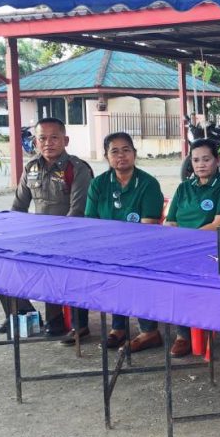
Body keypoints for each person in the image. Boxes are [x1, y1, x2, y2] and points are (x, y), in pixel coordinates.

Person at [2, 117, 93, 338]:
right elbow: (18, 207)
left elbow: (77, 212)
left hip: (71, 238)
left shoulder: (77, 169)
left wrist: (53, 242)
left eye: (54, 138)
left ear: (65, 140)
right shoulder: (31, 167)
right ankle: (23, 314)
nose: (48, 143)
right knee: (1, 265)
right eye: (42, 138)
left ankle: (56, 321)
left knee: (52, 265)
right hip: (38, 237)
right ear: (35, 142)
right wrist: (9, 237)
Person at [81, 132, 165, 348]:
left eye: (126, 150)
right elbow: (91, 223)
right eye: (114, 151)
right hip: (107, 247)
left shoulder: (148, 183)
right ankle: (118, 328)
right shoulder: (98, 184)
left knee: (135, 270)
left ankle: (149, 331)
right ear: (106, 156)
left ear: (134, 153)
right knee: (109, 269)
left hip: (142, 248)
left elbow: (148, 226)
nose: (121, 156)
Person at [161, 139, 220, 357]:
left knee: (189, 276)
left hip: (210, 250)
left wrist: (187, 240)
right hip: (181, 248)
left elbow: (219, 224)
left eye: (206, 159)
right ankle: (182, 333)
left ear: (217, 160)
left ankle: (195, 330)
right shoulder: (184, 187)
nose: (201, 165)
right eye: (196, 160)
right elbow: (171, 221)